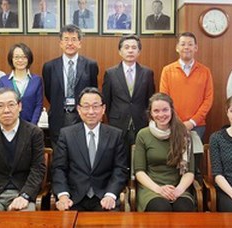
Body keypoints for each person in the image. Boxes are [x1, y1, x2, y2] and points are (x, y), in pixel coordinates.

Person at [52, 87, 128, 211]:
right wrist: (63, 195)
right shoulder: (67, 134)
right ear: (79, 109)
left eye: (96, 106)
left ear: (103, 109)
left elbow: (120, 169)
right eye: (86, 106)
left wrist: (110, 195)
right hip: (73, 198)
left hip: (104, 197)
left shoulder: (116, 135)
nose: (91, 111)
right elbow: (59, 169)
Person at [0, 88, 46, 212]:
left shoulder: (34, 133)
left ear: (20, 106)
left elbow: (38, 169)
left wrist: (25, 195)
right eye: (0, 106)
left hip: (22, 193)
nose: (6, 110)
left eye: (11, 105)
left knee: (25, 220)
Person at [159, 32, 214, 176]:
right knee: (173, 162)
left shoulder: (205, 71)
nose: (186, 47)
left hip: (198, 126)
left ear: (196, 48)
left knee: (194, 164)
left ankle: (195, 196)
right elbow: (164, 100)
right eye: (183, 44)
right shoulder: (167, 70)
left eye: (190, 44)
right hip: (172, 124)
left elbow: (208, 100)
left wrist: (192, 122)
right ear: (177, 47)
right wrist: (176, 122)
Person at [134, 93, 195, 212]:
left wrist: (178, 190)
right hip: (151, 188)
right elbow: (139, 172)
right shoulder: (143, 135)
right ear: (150, 114)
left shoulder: (184, 134)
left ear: (172, 111)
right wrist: (159, 189)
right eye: (156, 111)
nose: (161, 114)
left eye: (165, 110)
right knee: (161, 208)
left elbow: (189, 172)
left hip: (178, 188)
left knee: (184, 208)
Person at [102, 34, 155, 168]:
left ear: (139, 51)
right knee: (118, 158)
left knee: (140, 158)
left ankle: (138, 184)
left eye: (134, 47)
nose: (130, 50)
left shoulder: (147, 73)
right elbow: (106, 101)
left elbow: (150, 100)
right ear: (120, 51)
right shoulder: (111, 73)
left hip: (141, 122)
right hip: (117, 123)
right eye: (126, 47)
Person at [42, 24, 98, 146]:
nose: (70, 43)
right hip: (58, 116)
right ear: (60, 43)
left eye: (74, 39)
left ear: (80, 43)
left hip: (82, 116)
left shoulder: (90, 65)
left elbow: (93, 92)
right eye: (66, 39)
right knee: (59, 155)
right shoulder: (50, 67)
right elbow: (49, 93)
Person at [0, 43, 43, 125]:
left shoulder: (37, 80)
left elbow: (38, 105)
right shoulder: (3, 81)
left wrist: (32, 125)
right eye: (17, 57)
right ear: (11, 59)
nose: (20, 60)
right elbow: (0, 105)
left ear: (29, 59)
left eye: (24, 57)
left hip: (30, 125)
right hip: (8, 125)